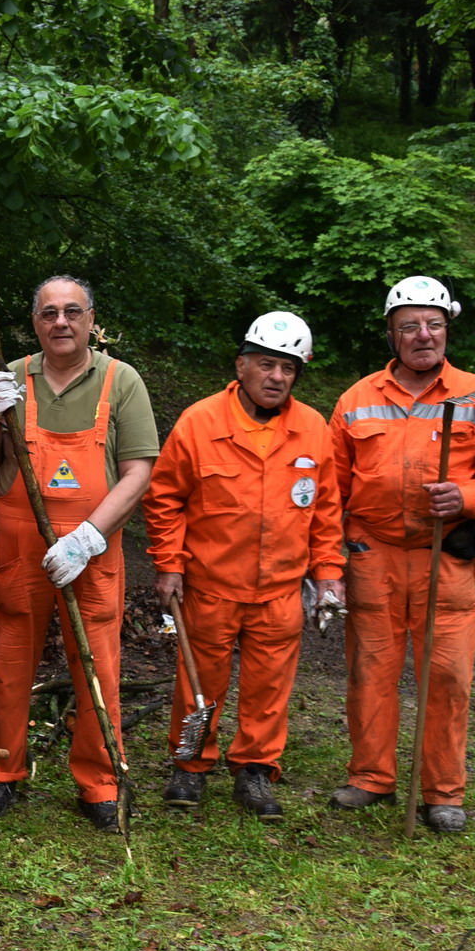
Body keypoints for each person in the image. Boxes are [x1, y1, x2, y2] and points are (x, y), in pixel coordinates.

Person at [0, 275, 159, 831]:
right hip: (20, 547)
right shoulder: (12, 379)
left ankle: (100, 781)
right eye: (49, 313)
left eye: (73, 312)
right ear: (35, 323)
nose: (61, 322)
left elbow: (139, 470)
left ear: (92, 318)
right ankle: (0, 773)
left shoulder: (121, 382)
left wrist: (90, 535)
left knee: (98, 664)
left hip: (93, 549)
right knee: (7, 663)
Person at [327, 276, 475, 833]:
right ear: (391, 333)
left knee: (447, 676)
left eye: (433, 325)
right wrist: (334, 554)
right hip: (375, 555)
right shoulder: (357, 400)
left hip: (446, 557)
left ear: (447, 330)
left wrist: (467, 495)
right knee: (371, 670)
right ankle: (372, 777)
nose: (423, 335)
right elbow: (330, 487)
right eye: (410, 325)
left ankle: (442, 792)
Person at [143, 312, 344, 819]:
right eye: (267, 364)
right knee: (198, 681)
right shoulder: (201, 421)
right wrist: (169, 565)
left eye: (289, 369)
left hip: (279, 589)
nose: (277, 377)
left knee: (269, 687)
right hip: (210, 584)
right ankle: (189, 767)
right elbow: (165, 497)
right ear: (242, 365)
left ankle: (255, 770)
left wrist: (329, 580)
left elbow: (325, 512)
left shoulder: (313, 430)